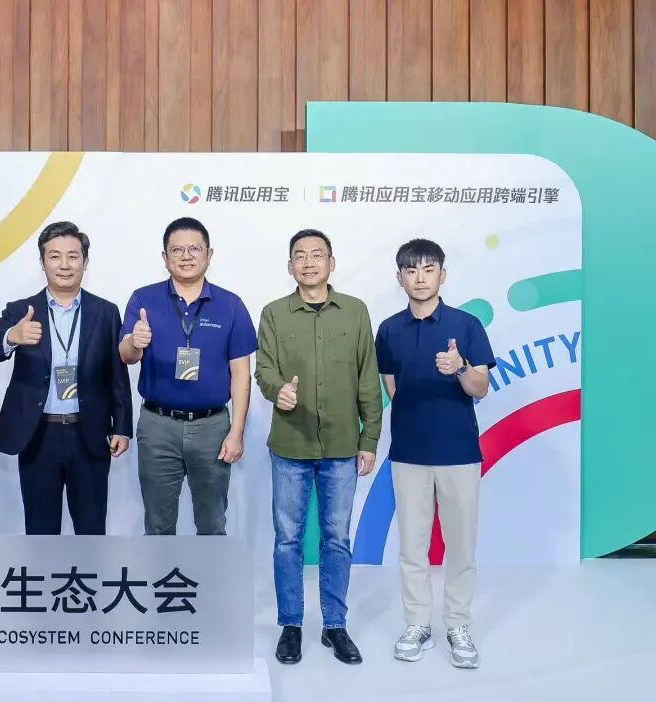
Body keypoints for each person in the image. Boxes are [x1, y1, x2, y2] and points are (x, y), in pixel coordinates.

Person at [254, 229, 382, 666]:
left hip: (343, 446)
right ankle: (291, 625)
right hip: (290, 445)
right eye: (300, 256)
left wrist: (369, 439)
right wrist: (278, 391)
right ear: (290, 266)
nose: (308, 263)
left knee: (337, 539)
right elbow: (264, 369)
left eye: (317, 255)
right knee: (287, 540)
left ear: (332, 263)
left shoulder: (356, 311)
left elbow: (368, 379)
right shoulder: (274, 313)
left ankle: (335, 626)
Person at [374, 238, 496, 669]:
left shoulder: (466, 325)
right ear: (400, 277)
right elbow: (392, 385)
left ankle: (458, 625)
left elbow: (481, 387)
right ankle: (417, 624)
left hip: (459, 452)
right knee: (413, 545)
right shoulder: (389, 329)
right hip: (408, 452)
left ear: (442, 275)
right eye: (412, 270)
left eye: (429, 269)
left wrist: (459, 368)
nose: (420, 278)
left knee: (461, 545)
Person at [0, 221, 132, 534]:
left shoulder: (105, 312)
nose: (64, 265)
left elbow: (116, 374)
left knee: (91, 529)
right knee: (40, 531)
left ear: (85, 262)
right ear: (42, 262)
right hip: (38, 435)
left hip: (89, 434)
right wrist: (12, 336)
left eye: (72, 256)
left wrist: (121, 427)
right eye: (54, 256)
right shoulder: (21, 310)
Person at [118, 217, 257, 535]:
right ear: (164, 257)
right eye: (177, 250)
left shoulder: (230, 305)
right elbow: (126, 355)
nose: (186, 256)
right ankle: (162, 571)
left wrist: (237, 431)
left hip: (212, 428)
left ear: (209, 254)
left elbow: (241, 373)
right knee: (158, 524)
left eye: (194, 249)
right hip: (158, 426)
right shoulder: (144, 299)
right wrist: (135, 342)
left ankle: (212, 572)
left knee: (212, 522)